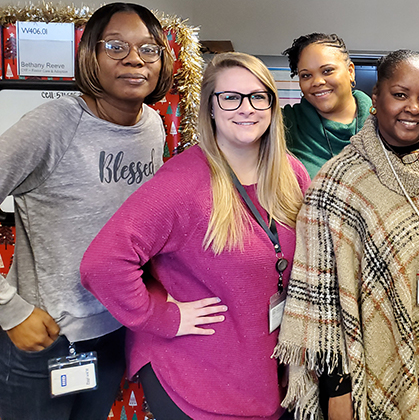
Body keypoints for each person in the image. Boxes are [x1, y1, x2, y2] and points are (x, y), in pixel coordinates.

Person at [81, 52, 309, 420]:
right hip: (195, 374)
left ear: (272, 104)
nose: (246, 108)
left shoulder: (290, 173)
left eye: (258, 96)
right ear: (211, 109)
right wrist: (162, 316)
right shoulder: (183, 183)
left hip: (262, 372)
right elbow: (102, 263)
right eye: (230, 97)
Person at [276, 50, 419, 419]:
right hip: (373, 367)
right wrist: (338, 388)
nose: (414, 108)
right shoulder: (340, 182)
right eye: (400, 95)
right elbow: (324, 295)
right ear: (377, 98)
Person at [0, 3, 172, 419]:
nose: (134, 58)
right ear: (89, 55)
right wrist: (10, 309)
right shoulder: (52, 125)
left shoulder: (152, 125)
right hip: (45, 337)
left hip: (115, 328)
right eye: (115, 46)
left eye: (149, 49)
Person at [282, 33, 373, 178]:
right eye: (306, 75)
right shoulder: (285, 123)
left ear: (350, 71)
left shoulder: (385, 122)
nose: (317, 81)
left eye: (327, 71)